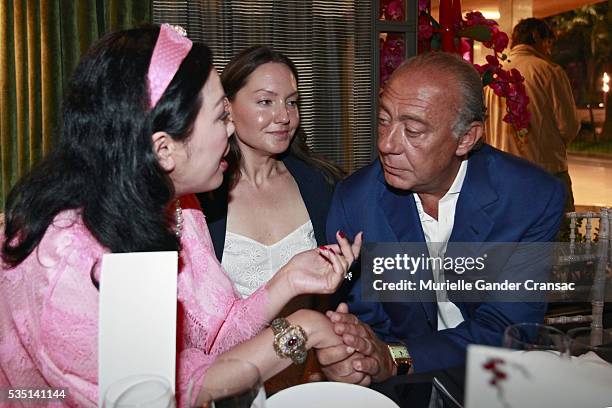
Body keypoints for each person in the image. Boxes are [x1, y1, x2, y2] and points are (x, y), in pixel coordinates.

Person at [0, 25, 360, 407]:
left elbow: (214, 339)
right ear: (165, 149)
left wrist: (288, 281)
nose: (231, 131)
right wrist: (302, 330)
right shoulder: (67, 263)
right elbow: (152, 394)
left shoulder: (179, 208)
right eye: (222, 117)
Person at [315, 52, 565, 385]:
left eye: (413, 131)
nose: (386, 144)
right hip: (401, 387)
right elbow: (370, 324)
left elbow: (505, 330)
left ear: (466, 139)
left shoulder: (529, 197)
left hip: (492, 378)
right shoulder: (355, 200)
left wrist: (397, 357)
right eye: (384, 119)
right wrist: (357, 348)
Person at [198, 45, 348, 391]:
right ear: (227, 108)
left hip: (309, 374)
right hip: (225, 380)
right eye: (266, 101)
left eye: (291, 102)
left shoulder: (321, 184)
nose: (284, 116)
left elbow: (352, 276)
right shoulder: (201, 198)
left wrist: (346, 271)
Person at [485, 18, 580, 212]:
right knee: (556, 238)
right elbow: (568, 125)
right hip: (546, 173)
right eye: (549, 43)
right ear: (536, 36)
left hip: (501, 176)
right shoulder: (549, 71)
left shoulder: (494, 73)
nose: (549, 50)